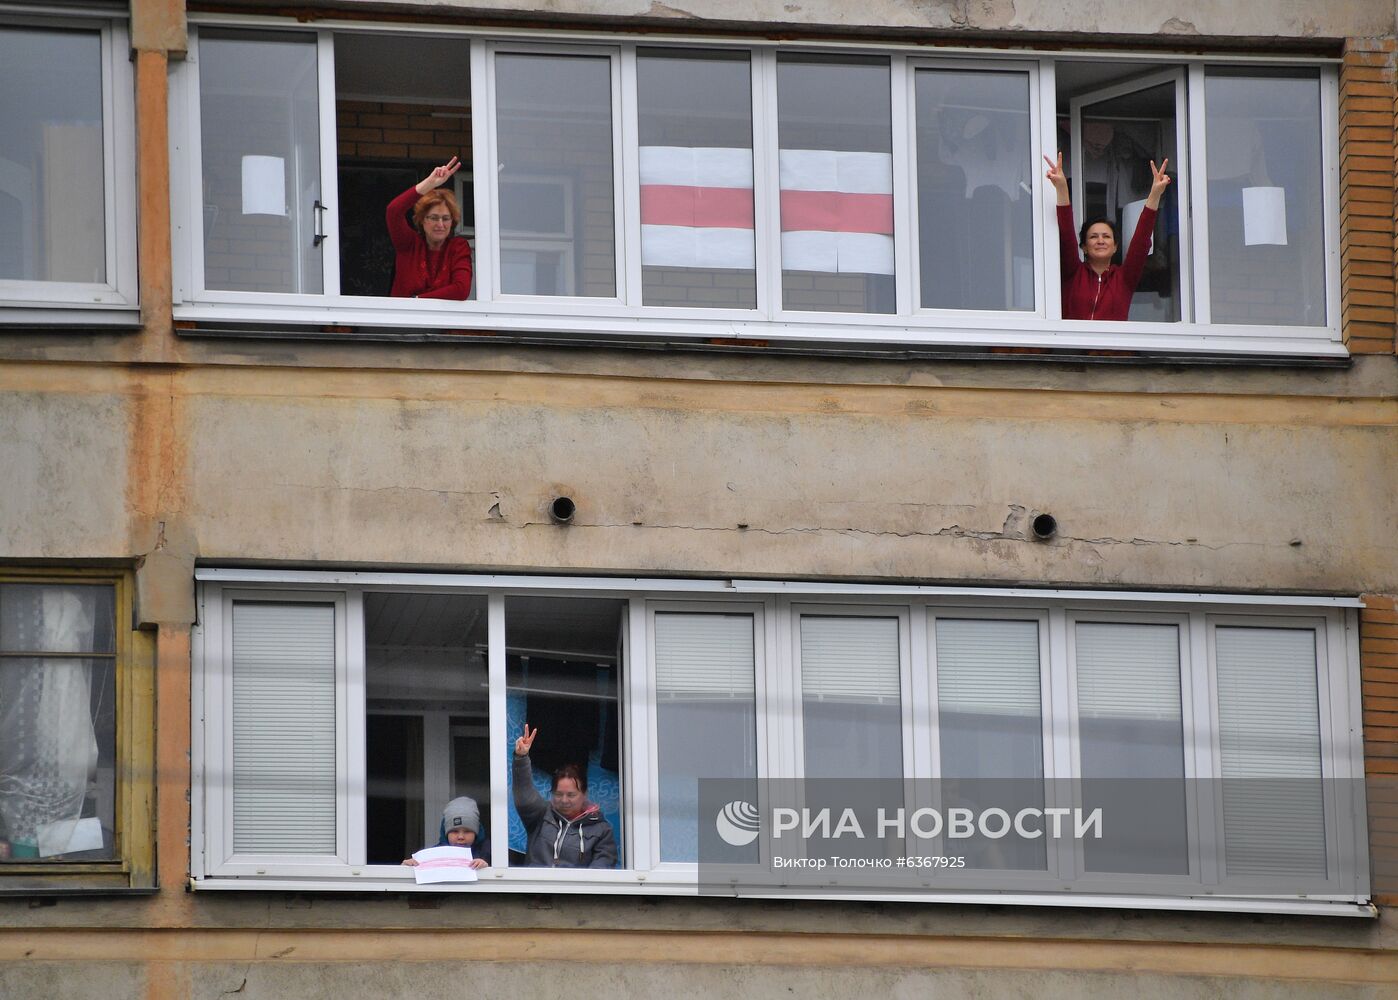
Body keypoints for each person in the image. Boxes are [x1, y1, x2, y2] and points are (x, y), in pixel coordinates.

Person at [1044, 152, 1170, 321]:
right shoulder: (1073, 273)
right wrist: (1061, 188)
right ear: (1084, 247)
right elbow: (1066, 234)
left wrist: (1155, 194)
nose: (1100, 240)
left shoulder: (1124, 278)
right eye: (1093, 237)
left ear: (1115, 247)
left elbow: (1140, 243)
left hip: (1114, 347)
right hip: (1074, 346)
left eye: (1106, 236)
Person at [512, 723, 617, 869]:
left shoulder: (601, 829)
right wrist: (521, 757)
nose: (564, 800)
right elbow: (524, 795)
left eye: (571, 795)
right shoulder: (540, 815)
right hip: (536, 891)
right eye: (559, 794)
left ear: (584, 794)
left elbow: (601, 870)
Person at [386, 156, 473, 300]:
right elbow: (393, 211)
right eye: (433, 218)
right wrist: (430, 183)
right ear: (422, 220)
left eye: (446, 218)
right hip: (403, 321)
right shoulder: (409, 243)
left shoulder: (457, 247)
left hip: (442, 322)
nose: (440, 224)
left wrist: (417, 300)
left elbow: (461, 289)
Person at [402, 795, 490, 869]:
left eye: (467, 831)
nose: (461, 837)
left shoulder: (488, 851)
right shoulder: (434, 855)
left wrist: (486, 867)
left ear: (477, 832)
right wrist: (406, 868)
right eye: (454, 831)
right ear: (445, 833)